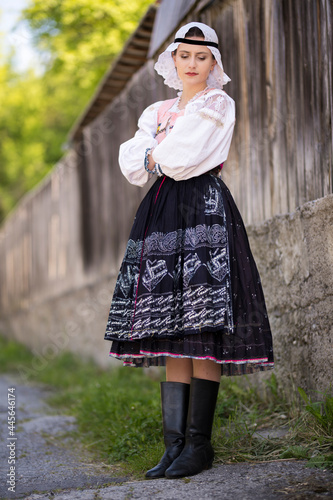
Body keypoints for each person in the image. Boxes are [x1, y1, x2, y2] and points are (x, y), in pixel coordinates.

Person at [104, 21, 274, 479]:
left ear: (213, 62)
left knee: (200, 325)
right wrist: (157, 152)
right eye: (185, 56)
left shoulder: (218, 103)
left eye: (202, 57)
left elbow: (179, 160)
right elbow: (132, 163)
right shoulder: (157, 110)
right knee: (173, 325)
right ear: (174, 61)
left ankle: (199, 445)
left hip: (202, 209)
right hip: (160, 213)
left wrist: (154, 152)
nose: (192, 64)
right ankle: (173, 445)